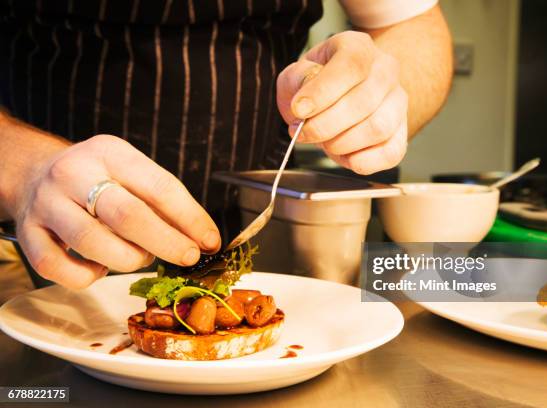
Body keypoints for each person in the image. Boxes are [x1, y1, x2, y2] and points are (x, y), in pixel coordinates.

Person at [0, 0, 453, 288]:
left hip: (261, 240)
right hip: (30, 245)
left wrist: (373, 98)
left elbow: (412, 26)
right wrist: (24, 167)